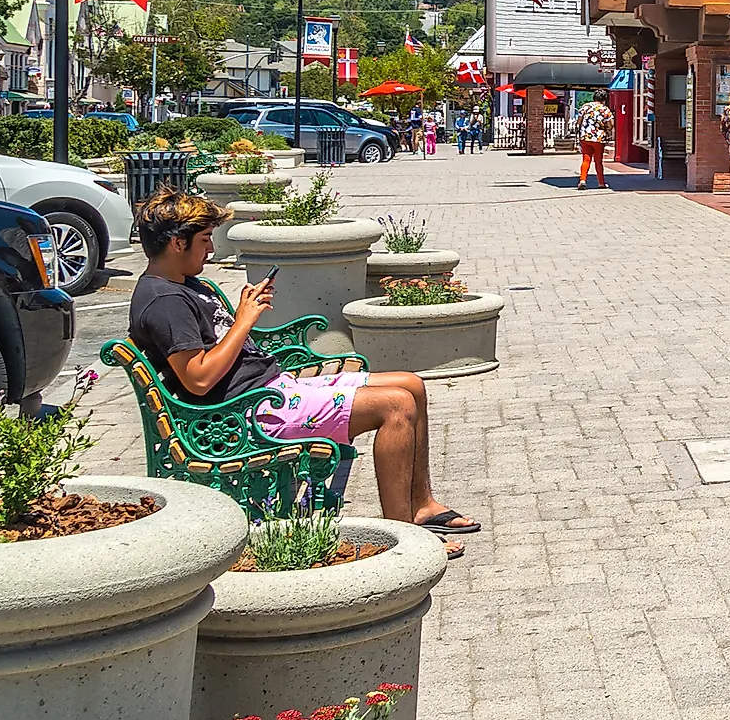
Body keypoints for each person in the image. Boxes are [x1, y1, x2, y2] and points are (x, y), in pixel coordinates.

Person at [126, 190, 478, 554]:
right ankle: (403, 534)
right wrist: (244, 321)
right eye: (204, 241)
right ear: (176, 242)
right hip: (246, 414)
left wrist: (246, 320)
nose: (211, 251)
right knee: (395, 406)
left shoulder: (184, 283)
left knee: (412, 385)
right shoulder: (166, 302)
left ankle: (421, 505)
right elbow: (198, 380)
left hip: (269, 388)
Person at [575, 95, 612, 190]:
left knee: (586, 159)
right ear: (604, 100)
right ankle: (601, 183)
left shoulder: (585, 107)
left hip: (585, 137)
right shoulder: (605, 109)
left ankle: (582, 180)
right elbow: (610, 124)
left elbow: (578, 122)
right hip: (598, 138)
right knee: (598, 161)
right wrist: (608, 132)